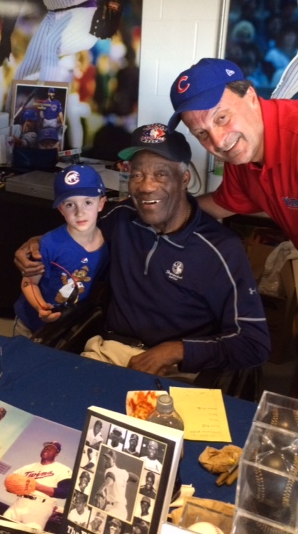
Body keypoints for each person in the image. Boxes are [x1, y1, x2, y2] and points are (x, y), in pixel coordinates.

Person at [167, 56, 298, 460]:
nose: (217, 141)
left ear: (251, 96)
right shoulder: (242, 154)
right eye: (202, 133)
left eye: (221, 118)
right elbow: (220, 204)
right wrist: (148, 213)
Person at [14, 124, 270, 377]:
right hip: (108, 352)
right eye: (137, 175)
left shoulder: (221, 249)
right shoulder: (121, 217)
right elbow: (75, 236)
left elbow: (253, 344)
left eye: (161, 174)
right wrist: (37, 243)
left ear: (184, 179)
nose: (146, 186)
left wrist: (174, 351)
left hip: (176, 369)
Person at [14, 164, 108, 337]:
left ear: (101, 203)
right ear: (61, 209)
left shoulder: (107, 243)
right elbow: (29, 282)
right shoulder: (49, 243)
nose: (80, 212)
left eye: (88, 202)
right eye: (70, 204)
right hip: (31, 323)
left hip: (68, 325)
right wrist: (40, 306)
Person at [3, 441, 72, 531]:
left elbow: (64, 493)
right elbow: (10, 482)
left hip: (40, 506)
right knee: (2, 527)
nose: (47, 449)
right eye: (46, 447)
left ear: (57, 453)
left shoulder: (63, 469)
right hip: (20, 502)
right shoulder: (28, 467)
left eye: (51, 448)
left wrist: (37, 486)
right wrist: (13, 487)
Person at [93, 448, 138, 521]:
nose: (105, 461)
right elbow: (136, 479)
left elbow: (110, 479)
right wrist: (123, 481)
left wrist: (101, 489)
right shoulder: (123, 472)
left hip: (115, 509)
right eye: (105, 458)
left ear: (114, 460)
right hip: (120, 509)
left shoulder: (109, 470)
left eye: (108, 459)